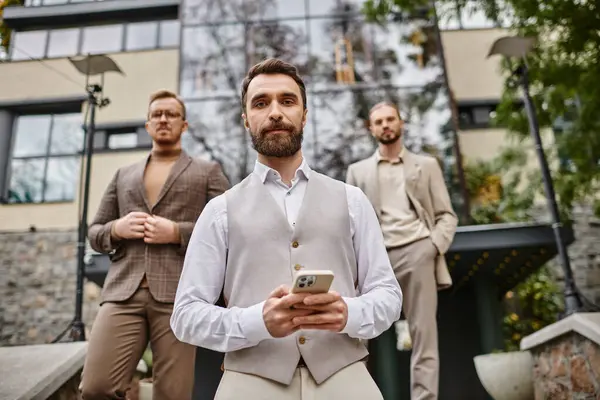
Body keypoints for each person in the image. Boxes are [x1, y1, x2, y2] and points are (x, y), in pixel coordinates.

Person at [170, 58, 403, 399]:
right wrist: (256, 322)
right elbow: (186, 316)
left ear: (304, 114)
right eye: (261, 103)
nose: (275, 112)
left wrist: (348, 313)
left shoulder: (352, 200)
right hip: (248, 383)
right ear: (246, 119)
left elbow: (388, 295)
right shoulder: (218, 211)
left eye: (288, 100)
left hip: (346, 376)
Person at [81, 89, 230, 400]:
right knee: (96, 388)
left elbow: (229, 229)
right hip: (123, 292)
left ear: (184, 125)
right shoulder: (123, 174)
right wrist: (117, 228)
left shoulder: (208, 171)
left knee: (173, 395)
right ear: (148, 125)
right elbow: (94, 231)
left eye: (171, 114)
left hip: (180, 294)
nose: (163, 119)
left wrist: (177, 232)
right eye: (157, 114)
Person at [346, 102, 458, 400]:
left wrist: (433, 246)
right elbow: (349, 224)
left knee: (424, 333)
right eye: (379, 121)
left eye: (390, 119)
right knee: (359, 331)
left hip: (418, 251)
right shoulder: (357, 172)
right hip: (374, 258)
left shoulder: (427, 165)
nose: (385, 125)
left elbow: (447, 215)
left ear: (401, 122)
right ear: (371, 129)